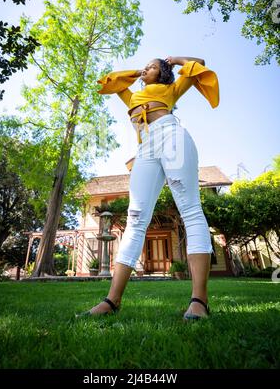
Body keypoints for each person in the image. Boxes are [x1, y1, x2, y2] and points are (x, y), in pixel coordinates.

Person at [76, 56, 219, 321]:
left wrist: (172, 60)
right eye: (147, 66)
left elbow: (198, 63)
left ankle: (199, 300)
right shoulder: (132, 97)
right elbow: (112, 81)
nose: (147, 69)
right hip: (146, 147)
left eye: (153, 66)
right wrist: (139, 72)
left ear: (163, 73)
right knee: (135, 218)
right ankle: (112, 300)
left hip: (171, 136)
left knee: (189, 209)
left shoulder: (171, 89)